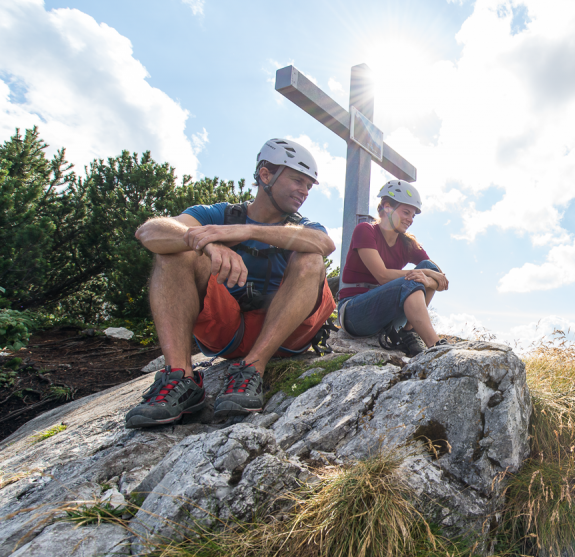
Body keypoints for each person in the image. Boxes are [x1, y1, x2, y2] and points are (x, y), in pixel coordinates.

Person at [124, 138, 336, 428]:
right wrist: (206, 243)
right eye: (298, 180)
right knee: (174, 252)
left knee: (311, 258)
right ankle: (180, 378)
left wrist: (248, 230)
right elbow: (149, 232)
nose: (304, 191)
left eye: (309, 186)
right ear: (265, 175)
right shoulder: (218, 215)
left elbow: (324, 244)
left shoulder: (302, 224)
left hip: (286, 336)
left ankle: (253, 368)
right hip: (228, 330)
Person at [337, 180, 449, 356]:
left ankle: (407, 332)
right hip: (354, 312)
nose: (410, 220)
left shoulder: (407, 243)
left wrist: (427, 278)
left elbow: (441, 281)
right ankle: (436, 348)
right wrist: (425, 276)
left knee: (426, 267)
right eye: (406, 212)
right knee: (412, 279)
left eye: (413, 216)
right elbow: (382, 275)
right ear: (387, 207)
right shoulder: (365, 230)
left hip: (388, 316)